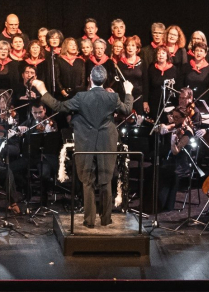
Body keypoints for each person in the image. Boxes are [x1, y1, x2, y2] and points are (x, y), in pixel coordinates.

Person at [33, 66, 135, 227]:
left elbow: (58, 106)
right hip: (106, 142)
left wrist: (42, 90)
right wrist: (128, 91)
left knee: (87, 181)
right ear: (105, 80)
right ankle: (106, 219)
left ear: (90, 78)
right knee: (105, 180)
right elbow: (127, 109)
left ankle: (89, 220)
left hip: (86, 142)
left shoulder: (81, 97)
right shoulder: (112, 97)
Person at [181, 43, 209, 109]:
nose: (199, 53)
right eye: (197, 50)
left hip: (203, 104)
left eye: (201, 51)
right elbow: (182, 85)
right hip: (187, 103)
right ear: (193, 52)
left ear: (205, 54)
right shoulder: (186, 67)